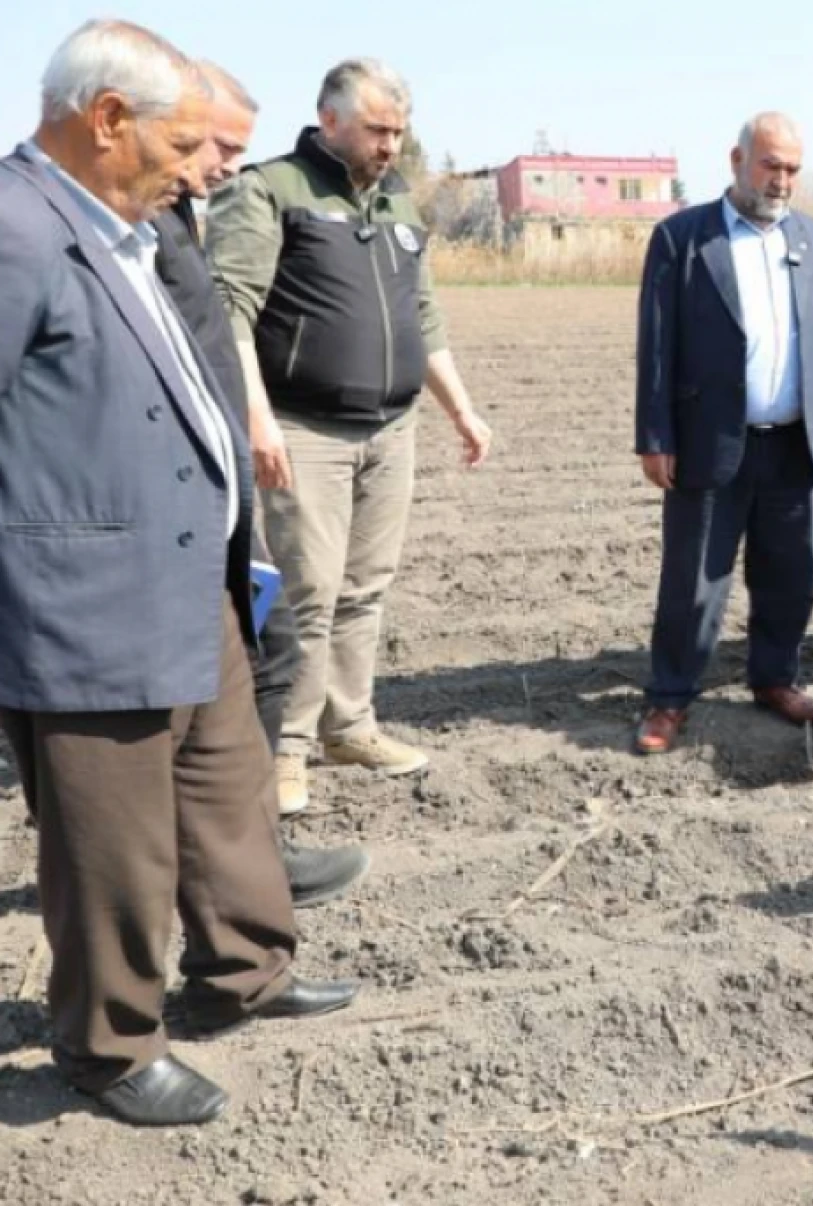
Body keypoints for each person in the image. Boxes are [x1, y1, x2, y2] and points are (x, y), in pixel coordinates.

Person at [0, 20, 356, 1127]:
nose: (200, 168)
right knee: (115, 838)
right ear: (108, 120)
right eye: (184, 141)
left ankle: (245, 966)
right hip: (84, 598)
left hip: (184, 567)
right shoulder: (16, 230)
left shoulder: (118, 224)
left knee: (224, 786)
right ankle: (107, 1044)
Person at [209, 58, 493, 814]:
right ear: (328, 120)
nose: (390, 145)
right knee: (308, 592)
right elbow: (229, 309)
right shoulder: (271, 191)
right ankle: (285, 749)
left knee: (365, 590)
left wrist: (460, 410)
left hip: (388, 430)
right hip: (304, 430)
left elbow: (423, 318)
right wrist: (257, 418)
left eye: (399, 131)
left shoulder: (398, 206)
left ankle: (350, 725)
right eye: (376, 129)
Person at [152, 59, 369, 905]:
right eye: (221, 145)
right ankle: (227, 871)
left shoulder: (172, 215)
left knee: (262, 649)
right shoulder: (103, 225)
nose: (232, 166)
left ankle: (248, 860)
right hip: (165, 504)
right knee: (239, 666)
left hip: (213, 489)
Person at [632, 113, 813, 755]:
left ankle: (775, 679)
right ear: (737, 159)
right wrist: (656, 434)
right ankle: (670, 696)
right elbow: (656, 345)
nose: (783, 180)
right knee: (694, 580)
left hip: (795, 441)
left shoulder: (812, 238)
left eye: (791, 168)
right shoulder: (683, 238)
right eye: (771, 165)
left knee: (791, 572)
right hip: (710, 440)